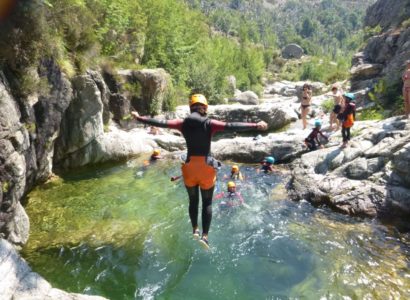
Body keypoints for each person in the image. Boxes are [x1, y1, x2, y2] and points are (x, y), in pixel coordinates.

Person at [131, 93, 268, 248]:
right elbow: (231, 125)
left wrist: (139, 118)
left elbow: (160, 122)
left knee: (193, 201)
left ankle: (195, 229)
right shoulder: (210, 123)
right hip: (206, 168)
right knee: (207, 202)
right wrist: (255, 125)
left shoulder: (182, 123)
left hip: (189, 168)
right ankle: (205, 236)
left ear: (191, 108)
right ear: (204, 108)